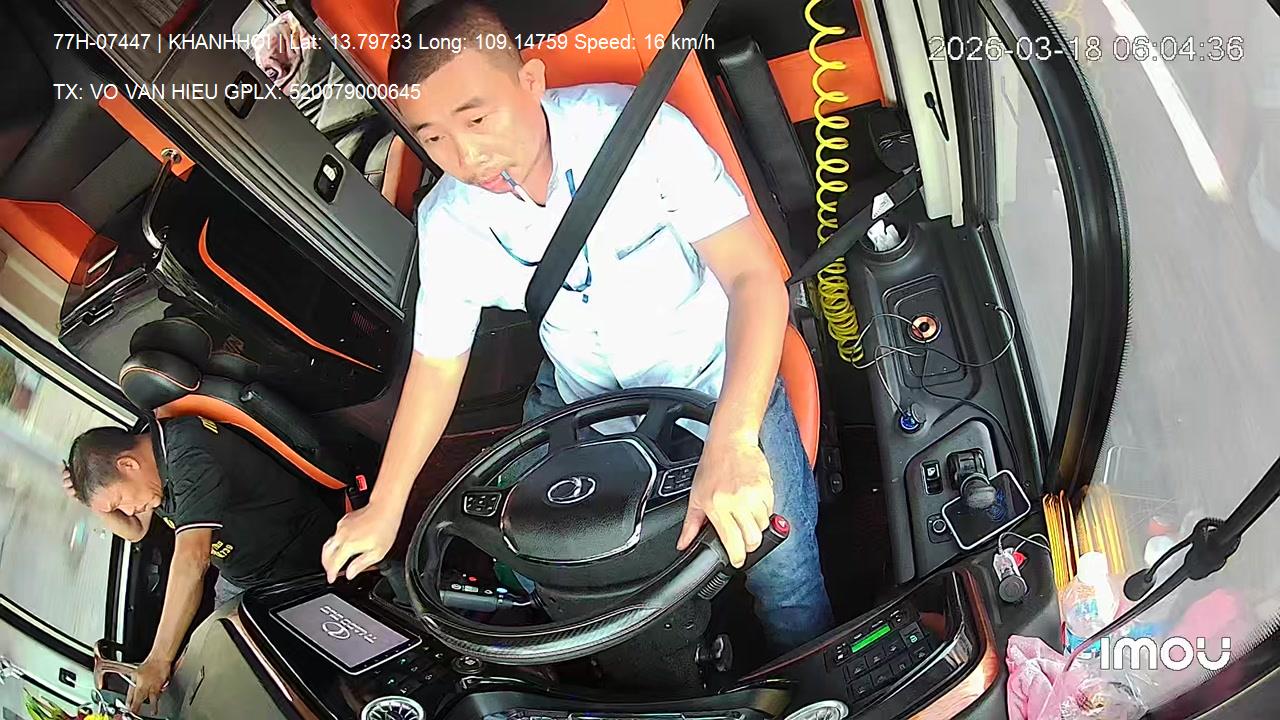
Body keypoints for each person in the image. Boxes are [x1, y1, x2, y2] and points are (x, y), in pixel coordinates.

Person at [319, 0, 833, 652]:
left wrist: (732, 440)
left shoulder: (639, 134)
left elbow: (754, 280)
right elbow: (437, 364)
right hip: (587, 406)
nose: (467, 156)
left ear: (530, 81)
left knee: (786, 579)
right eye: (433, 138)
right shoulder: (449, 220)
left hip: (716, 384)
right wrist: (387, 505)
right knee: (586, 587)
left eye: (477, 119)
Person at [65, 418, 338, 712]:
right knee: (207, 673)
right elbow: (136, 530)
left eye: (120, 501)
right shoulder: (150, 459)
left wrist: (159, 659)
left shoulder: (189, 453)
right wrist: (95, 505)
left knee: (275, 684)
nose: (128, 511)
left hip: (292, 559)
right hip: (242, 575)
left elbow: (192, 560)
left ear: (128, 465)